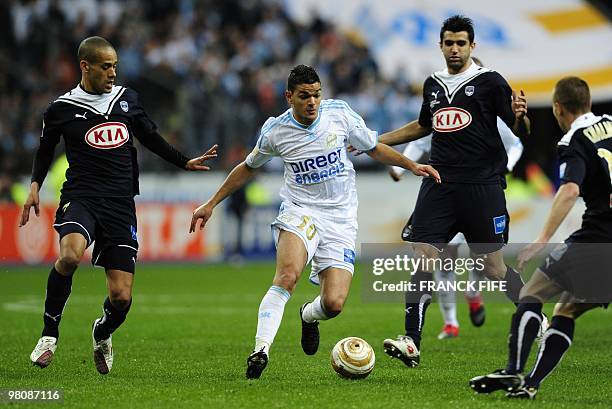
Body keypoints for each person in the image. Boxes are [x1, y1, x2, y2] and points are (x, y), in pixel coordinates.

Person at [189, 64, 440, 379]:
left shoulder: (340, 114)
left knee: (333, 303)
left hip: (341, 217)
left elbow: (373, 148)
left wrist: (411, 165)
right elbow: (248, 167)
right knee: (287, 277)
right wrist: (211, 203)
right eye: (305, 96)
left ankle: (308, 316)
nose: (312, 102)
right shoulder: (275, 131)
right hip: (301, 210)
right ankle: (260, 350)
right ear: (289, 97)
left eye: (317, 95)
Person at [23, 36, 217, 375]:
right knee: (69, 256)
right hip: (81, 196)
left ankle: (102, 332)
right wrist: (34, 186)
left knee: (121, 298)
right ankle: (49, 335)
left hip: (120, 204)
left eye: (115, 65)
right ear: (85, 66)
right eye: (106, 66)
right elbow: (45, 149)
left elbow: (151, 136)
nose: (113, 72)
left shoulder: (127, 99)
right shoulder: (61, 109)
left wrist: (184, 161)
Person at [377, 15, 532, 368]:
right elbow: (421, 126)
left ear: (472, 46)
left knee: (493, 268)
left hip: (482, 185)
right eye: (449, 42)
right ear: (441, 45)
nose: (455, 49)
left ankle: (534, 314)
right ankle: (411, 341)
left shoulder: (490, 81)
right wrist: (375, 140)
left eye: (461, 43)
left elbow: (521, 129)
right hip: (439, 183)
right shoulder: (432, 84)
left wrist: (521, 116)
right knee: (424, 258)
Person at [469, 76, 612, 399]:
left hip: (599, 235)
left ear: (558, 108)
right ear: (589, 102)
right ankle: (530, 385)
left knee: (532, 293)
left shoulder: (574, 139)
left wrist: (543, 238)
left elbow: (570, 189)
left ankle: (513, 370)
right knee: (567, 311)